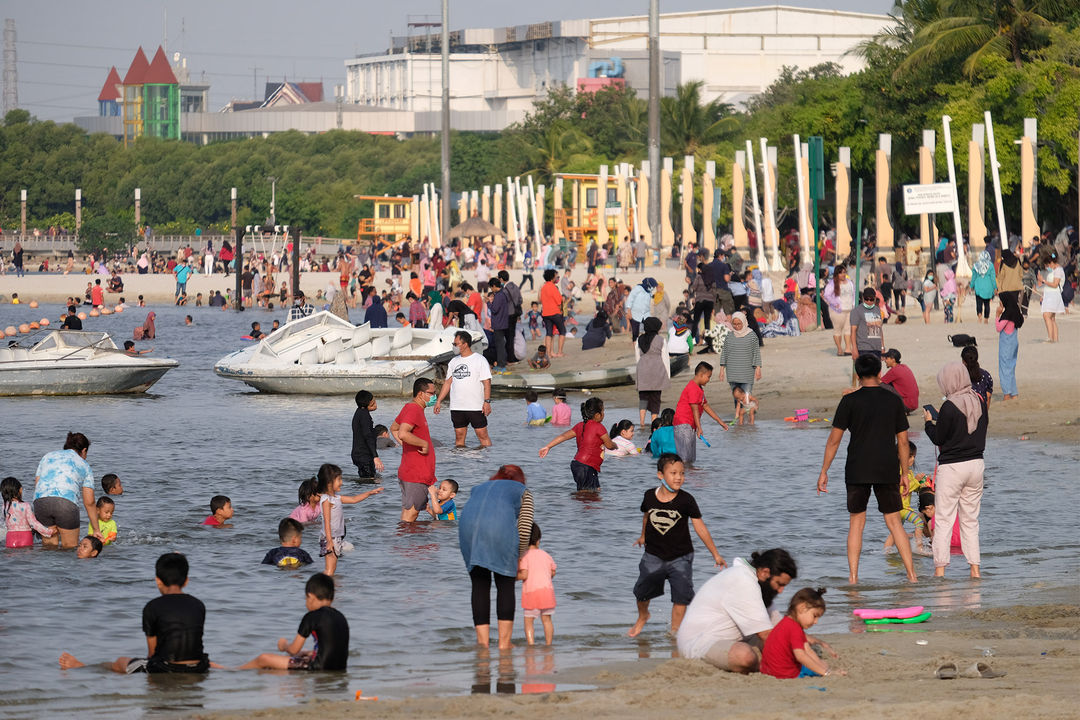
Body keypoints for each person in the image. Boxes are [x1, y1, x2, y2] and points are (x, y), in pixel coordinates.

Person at [817, 354, 917, 584]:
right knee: (894, 521)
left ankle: (853, 578)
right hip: (886, 467)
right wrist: (904, 473)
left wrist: (824, 471)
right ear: (880, 373)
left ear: (858, 375)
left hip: (857, 467)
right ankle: (912, 576)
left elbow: (834, 440)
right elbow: (903, 442)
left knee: (856, 523)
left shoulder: (849, 401)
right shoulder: (893, 401)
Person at [59, 552, 213, 674]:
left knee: (120, 662)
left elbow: (152, 653)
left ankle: (81, 667)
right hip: (198, 666)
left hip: (165, 668)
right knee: (202, 660)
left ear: (158, 581)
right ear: (186, 580)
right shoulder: (199, 604)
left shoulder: (152, 607)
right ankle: (231, 669)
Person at [628, 453, 726, 638]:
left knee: (681, 596)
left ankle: (675, 633)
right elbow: (647, 516)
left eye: (681, 473)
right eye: (673, 473)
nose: (679, 477)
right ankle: (643, 617)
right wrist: (642, 536)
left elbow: (700, 527)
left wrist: (715, 554)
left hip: (681, 556)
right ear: (660, 475)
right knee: (642, 592)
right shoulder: (649, 495)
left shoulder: (686, 500)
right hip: (653, 555)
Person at [676, 549, 801, 673]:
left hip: (733, 640)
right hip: (699, 643)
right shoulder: (744, 581)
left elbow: (781, 627)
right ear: (765, 572)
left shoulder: (759, 583)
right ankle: (768, 666)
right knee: (744, 656)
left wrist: (808, 642)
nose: (781, 591)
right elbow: (766, 634)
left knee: (790, 639)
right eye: (779, 584)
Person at [458, 465, 534, 649]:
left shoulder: (479, 488)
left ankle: (482, 643)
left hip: (467, 530)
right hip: (498, 530)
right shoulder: (523, 491)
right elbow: (524, 529)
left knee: (479, 584)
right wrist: (519, 556)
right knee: (505, 583)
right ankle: (504, 643)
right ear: (521, 480)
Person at [925, 362, 988, 579]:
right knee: (970, 520)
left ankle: (940, 571)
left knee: (943, 520)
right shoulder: (980, 401)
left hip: (952, 467)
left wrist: (928, 424)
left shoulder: (949, 406)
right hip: (976, 465)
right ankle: (975, 570)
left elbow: (939, 438)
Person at [238, 573, 350, 671]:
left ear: (310, 597)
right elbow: (334, 648)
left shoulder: (312, 616)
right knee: (291, 661)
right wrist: (309, 653)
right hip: (340, 668)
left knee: (264, 659)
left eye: (306, 599)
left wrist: (284, 645)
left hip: (318, 667)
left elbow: (293, 650)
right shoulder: (341, 617)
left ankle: (233, 670)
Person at [32, 432, 100, 549]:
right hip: (65, 504)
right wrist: (96, 529)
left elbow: (38, 485)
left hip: (41, 502)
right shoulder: (84, 465)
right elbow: (89, 502)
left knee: (49, 549)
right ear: (84, 451)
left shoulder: (48, 456)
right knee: (70, 549)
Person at [538, 397, 617, 492]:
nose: (604, 414)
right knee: (587, 496)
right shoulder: (599, 427)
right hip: (587, 466)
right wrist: (615, 445)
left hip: (578, 465)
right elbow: (609, 445)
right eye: (603, 411)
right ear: (597, 415)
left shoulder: (580, 425)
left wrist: (548, 446)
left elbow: (563, 436)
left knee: (594, 492)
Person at [316, 463, 382, 576]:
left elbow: (353, 499)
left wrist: (369, 493)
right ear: (329, 483)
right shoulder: (327, 500)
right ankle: (323, 587)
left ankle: (331, 586)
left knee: (332, 568)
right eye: (339, 479)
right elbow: (326, 521)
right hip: (330, 538)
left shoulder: (336, 498)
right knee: (330, 569)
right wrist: (329, 541)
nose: (341, 482)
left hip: (335, 537)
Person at [760, 588, 842, 679]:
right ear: (802, 608)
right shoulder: (795, 629)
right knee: (818, 667)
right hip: (786, 674)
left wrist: (822, 665)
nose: (816, 622)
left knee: (821, 664)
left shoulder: (786, 622)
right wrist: (826, 672)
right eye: (815, 616)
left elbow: (808, 650)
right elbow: (801, 656)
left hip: (768, 671)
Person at [433, 331, 493, 447]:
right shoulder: (453, 361)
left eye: (456, 344)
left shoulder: (479, 360)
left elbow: (487, 382)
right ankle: (459, 463)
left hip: (475, 406)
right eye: (453, 344)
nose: (454, 346)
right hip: (457, 406)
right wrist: (439, 401)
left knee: (482, 435)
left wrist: (487, 402)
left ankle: (487, 462)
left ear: (465, 344)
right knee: (459, 437)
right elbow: (448, 382)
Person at [390, 378, 438, 522]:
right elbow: (403, 433)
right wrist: (424, 444)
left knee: (408, 513)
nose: (434, 396)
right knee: (411, 514)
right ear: (420, 394)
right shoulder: (414, 408)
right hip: (416, 473)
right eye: (431, 393)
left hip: (412, 471)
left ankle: (404, 542)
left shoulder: (410, 407)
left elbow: (394, 429)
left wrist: (408, 444)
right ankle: (405, 543)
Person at [672, 362, 730, 465]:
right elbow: (695, 409)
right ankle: (685, 478)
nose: (709, 379)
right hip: (683, 424)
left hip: (689, 425)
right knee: (685, 458)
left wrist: (720, 421)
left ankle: (690, 477)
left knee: (690, 458)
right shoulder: (693, 388)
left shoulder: (699, 389)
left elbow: (705, 406)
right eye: (708, 377)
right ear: (701, 375)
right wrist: (699, 428)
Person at [882, 441, 931, 555]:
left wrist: (923, 485)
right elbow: (905, 488)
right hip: (902, 508)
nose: (912, 459)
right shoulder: (898, 472)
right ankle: (919, 548)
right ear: (899, 456)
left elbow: (912, 488)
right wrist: (916, 481)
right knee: (919, 523)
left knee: (896, 529)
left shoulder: (908, 472)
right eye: (910, 456)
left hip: (901, 507)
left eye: (914, 456)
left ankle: (887, 550)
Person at [518, 522, 557, 646]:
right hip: (547, 592)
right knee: (547, 620)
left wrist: (513, 578)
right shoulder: (546, 555)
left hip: (531, 593)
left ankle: (531, 645)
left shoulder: (524, 556)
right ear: (538, 540)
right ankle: (548, 644)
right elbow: (552, 572)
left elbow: (524, 575)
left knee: (529, 621)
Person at [717, 312, 761, 413]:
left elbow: (756, 353)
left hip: (747, 372)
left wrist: (758, 368)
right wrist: (721, 370)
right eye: (734, 324)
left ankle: (751, 414)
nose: (736, 326)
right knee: (736, 397)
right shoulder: (729, 336)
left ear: (744, 322)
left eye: (739, 324)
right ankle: (740, 417)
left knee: (747, 394)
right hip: (733, 373)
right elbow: (724, 353)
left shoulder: (752, 336)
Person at [635, 317, 670, 426]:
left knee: (643, 398)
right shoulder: (661, 340)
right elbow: (665, 359)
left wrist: (640, 371)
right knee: (655, 398)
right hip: (657, 370)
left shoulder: (639, 339)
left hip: (642, 369)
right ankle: (654, 422)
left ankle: (641, 423)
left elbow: (637, 357)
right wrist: (667, 376)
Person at [3, 476, 55, 547]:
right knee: (26, 554)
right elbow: (33, 523)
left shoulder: (4, 507)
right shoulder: (25, 506)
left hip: (10, 537)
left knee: (11, 555)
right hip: (25, 537)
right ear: (20, 490)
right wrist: (48, 532)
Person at [351, 390, 385, 480]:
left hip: (359, 454)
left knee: (369, 479)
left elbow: (366, 432)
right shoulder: (364, 415)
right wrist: (375, 456)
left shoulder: (359, 413)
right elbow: (367, 436)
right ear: (368, 403)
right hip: (363, 455)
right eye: (373, 402)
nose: (376, 404)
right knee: (369, 481)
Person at [996, 292, 1023, 400]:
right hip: (1013, 343)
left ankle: (1007, 393)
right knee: (1011, 368)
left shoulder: (1007, 314)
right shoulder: (1016, 313)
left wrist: (997, 315)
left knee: (1004, 369)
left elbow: (998, 327)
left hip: (1006, 345)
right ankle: (1014, 393)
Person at [824, 266, 855, 355]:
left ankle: (848, 348)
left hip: (849, 309)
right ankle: (839, 349)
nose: (843, 274)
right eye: (841, 273)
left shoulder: (849, 282)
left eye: (844, 272)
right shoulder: (832, 283)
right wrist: (834, 303)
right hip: (837, 311)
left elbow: (853, 293)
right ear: (836, 274)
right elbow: (827, 295)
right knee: (838, 329)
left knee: (848, 329)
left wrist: (853, 303)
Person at [849, 287, 884, 359]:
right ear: (863, 298)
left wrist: (882, 347)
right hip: (863, 348)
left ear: (874, 298)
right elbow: (853, 331)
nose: (869, 301)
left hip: (877, 348)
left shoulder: (877, 310)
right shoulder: (856, 311)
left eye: (871, 299)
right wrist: (854, 349)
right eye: (866, 299)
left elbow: (880, 330)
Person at [1038, 252, 1065, 342]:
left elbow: (1054, 284)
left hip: (1054, 295)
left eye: (1047, 265)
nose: (1047, 267)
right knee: (1052, 318)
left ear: (1051, 263)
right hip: (1049, 294)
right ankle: (1055, 339)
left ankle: (1050, 337)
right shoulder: (1053, 270)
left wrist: (1043, 281)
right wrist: (1043, 295)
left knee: (1046, 315)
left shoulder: (1058, 270)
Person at [540, 269, 566, 358]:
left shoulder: (543, 287)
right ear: (552, 277)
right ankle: (559, 352)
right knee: (562, 331)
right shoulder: (553, 287)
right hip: (555, 312)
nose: (557, 278)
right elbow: (559, 301)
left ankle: (549, 353)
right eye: (556, 276)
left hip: (546, 313)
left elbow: (540, 299)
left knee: (549, 333)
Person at [971, 250, 997, 323]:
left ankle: (979, 316)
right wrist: (995, 287)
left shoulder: (976, 265)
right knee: (987, 304)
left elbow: (973, 277)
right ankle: (986, 319)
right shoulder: (991, 265)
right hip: (988, 287)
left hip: (978, 287)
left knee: (979, 303)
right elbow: (993, 277)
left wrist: (971, 286)